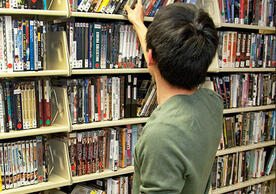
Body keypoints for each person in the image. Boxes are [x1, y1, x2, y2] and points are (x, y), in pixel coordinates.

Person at [124, 1, 223, 194]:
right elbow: (157, 58)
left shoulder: (161, 136)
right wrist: (138, 24)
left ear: (151, 57)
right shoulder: (213, 103)